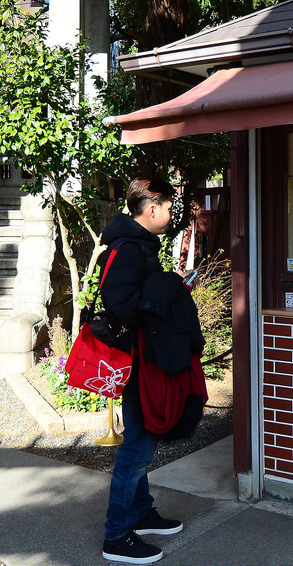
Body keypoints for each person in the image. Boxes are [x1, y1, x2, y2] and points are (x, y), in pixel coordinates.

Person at [99, 178, 184, 564]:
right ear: (151, 208)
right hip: (137, 359)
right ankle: (116, 535)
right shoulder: (129, 248)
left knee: (140, 436)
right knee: (138, 445)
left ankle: (140, 512)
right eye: (168, 206)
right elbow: (120, 302)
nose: (170, 213)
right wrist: (165, 293)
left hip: (143, 356)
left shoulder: (139, 244)